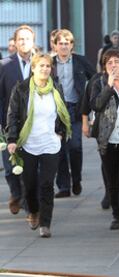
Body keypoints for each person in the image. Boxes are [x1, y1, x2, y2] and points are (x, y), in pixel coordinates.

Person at [6, 53, 71, 238]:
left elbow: (63, 111)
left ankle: (45, 223)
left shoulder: (56, 88)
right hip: (28, 144)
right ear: (33, 68)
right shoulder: (21, 89)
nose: (45, 69)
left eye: (48, 66)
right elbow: (13, 115)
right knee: (30, 184)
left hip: (50, 143)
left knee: (47, 184)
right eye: (41, 66)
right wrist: (12, 140)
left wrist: (60, 133)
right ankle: (33, 211)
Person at [90, 48, 119, 232]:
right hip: (107, 140)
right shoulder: (99, 82)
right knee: (112, 180)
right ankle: (116, 214)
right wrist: (109, 87)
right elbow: (96, 104)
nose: (113, 65)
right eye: (109, 63)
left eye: (116, 62)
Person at [52, 29, 96, 198]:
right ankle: (63, 186)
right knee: (59, 149)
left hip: (75, 109)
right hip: (55, 112)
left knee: (75, 147)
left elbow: (95, 78)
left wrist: (91, 100)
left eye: (67, 43)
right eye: (61, 43)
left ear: (72, 45)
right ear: (55, 46)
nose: (64, 46)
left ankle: (76, 179)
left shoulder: (80, 61)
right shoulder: (50, 63)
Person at [0, 25, 36, 215]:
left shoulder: (41, 63)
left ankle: (29, 204)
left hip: (34, 125)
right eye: (20, 39)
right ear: (15, 42)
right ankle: (16, 193)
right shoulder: (5, 65)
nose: (24, 42)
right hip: (9, 125)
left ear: (33, 42)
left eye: (27, 39)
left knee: (30, 169)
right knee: (9, 167)